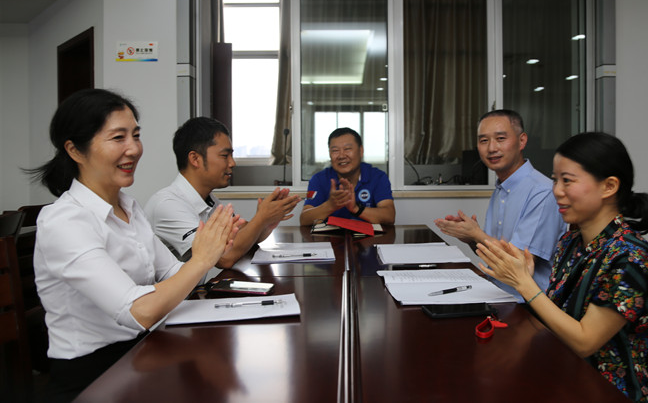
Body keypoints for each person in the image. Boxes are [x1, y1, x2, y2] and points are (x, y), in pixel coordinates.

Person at [28, 89, 240, 402]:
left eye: (136, 135)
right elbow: (137, 311)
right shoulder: (63, 221)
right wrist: (201, 259)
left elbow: (172, 273)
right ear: (75, 150)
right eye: (118, 138)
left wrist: (212, 258)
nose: (134, 149)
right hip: (92, 375)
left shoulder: (129, 207)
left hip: (143, 352)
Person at [475, 132, 648, 402]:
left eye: (567, 181)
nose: (556, 191)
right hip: (562, 375)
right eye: (555, 180)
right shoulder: (571, 242)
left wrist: (524, 284)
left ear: (609, 186)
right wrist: (525, 278)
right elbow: (557, 317)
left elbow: (585, 342)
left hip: (606, 392)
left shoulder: (630, 257)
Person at [434, 109, 566, 300]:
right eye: (483, 140)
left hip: (527, 304)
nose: (491, 148)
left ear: (522, 141)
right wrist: (470, 238)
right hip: (496, 291)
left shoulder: (542, 192)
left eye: (501, 138)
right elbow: (494, 256)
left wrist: (476, 234)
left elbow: (520, 264)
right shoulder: (502, 188)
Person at [145, 117, 300, 266]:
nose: (232, 163)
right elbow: (224, 257)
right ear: (195, 159)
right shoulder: (168, 205)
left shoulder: (208, 200)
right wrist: (261, 218)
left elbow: (242, 236)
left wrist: (267, 220)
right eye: (225, 156)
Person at [299, 127, 395, 226]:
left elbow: (389, 216)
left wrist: (356, 209)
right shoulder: (319, 179)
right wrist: (330, 205)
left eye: (347, 149)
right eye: (335, 150)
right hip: (331, 235)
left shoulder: (377, 177)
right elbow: (304, 220)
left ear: (361, 151)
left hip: (367, 236)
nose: (341, 156)